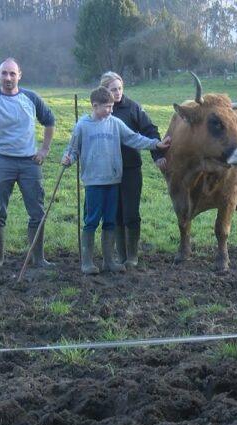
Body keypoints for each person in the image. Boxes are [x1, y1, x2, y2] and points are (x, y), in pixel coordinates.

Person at [62, 87, 170, 274]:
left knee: (110, 220)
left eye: (112, 106)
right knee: (92, 220)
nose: (111, 110)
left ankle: (109, 261)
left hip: (113, 180)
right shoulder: (82, 126)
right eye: (107, 107)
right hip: (94, 182)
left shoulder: (115, 123)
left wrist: (155, 144)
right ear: (95, 106)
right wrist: (68, 159)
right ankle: (87, 262)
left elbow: (134, 139)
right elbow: (72, 149)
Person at [0, 57, 56, 269]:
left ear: (19, 75)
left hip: (29, 162)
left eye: (12, 73)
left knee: (37, 212)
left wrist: (44, 149)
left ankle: (38, 259)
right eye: (4, 74)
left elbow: (49, 120)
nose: (8, 78)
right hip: (1, 161)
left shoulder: (30, 97)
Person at [100, 71, 165, 268]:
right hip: (108, 170)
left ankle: (133, 256)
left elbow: (150, 131)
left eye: (120, 88)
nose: (118, 92)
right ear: (105, 90)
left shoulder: (133, 108)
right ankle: (121, 256)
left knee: (130, 212)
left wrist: (158, 155)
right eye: (113, 89)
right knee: (115, 213)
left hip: (130, 168)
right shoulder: (101, 109)